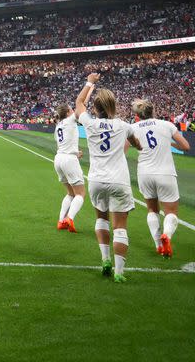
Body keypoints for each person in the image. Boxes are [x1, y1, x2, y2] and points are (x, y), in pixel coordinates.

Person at [75, 73, 141, 283]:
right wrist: (134, 146)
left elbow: (78, 103)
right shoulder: (123, 125)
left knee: (101, 219)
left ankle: (105, 260)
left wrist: (90, 82)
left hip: (96, 180)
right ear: (113, 106)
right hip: (119, 180)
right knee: (120, 226)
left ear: (95, 108)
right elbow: (137, 143)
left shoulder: (90, 123)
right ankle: (119, 273)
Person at [131, 99, 190, 257]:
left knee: (152, 209)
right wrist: (171, 145)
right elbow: (186, 146)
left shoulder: (132, 128)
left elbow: (123, 148)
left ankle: (158, 245)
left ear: (138, 115)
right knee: (171, 212)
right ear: (153, 111)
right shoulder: (167, 125)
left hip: (144, 173)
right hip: (165, 173)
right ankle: (167, 236)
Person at [53, 104, 87, 232]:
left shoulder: (58, 126)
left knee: (70, 193)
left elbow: (61, 145)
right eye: (71, 109)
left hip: (59, 159)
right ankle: (69, 218)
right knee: (80, 194)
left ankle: (61, 221)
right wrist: (90, 86)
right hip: (68, 159)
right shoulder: (70, 119)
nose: (73, 110)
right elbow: (81, 104)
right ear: (68, 112)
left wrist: (76, 153)